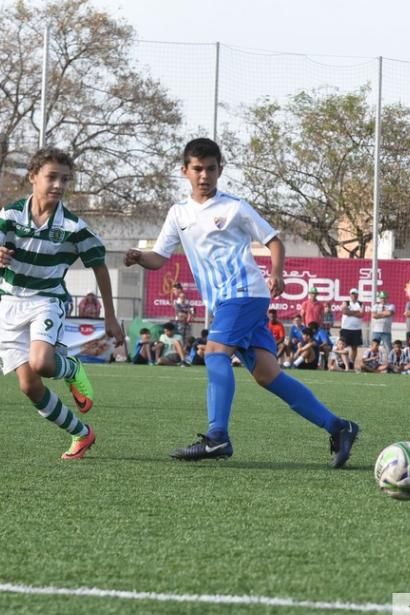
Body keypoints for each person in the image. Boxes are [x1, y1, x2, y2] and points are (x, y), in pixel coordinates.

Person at [123, 138, 358, 466]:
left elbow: (274, 241)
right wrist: (138, 257)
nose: (204, 175)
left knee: (215, 353)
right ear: (185, 171)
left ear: (220, 170)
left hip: (245, 293)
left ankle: (217, 436)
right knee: (268, 375)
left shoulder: (234, 207)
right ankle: (339, 426)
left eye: (211, 169)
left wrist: (276, 274)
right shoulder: (179, 213)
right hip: (225, 303)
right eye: (197, 169)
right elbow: (159, 257)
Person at [0, 147, 123, 460]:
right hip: (10, 304)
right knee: (29, 387)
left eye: (65, 179)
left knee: (42, 362)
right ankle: (82, 433)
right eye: (51, 177)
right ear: (32, 177)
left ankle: (71, 367)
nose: (58, 185)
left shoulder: (72, 226)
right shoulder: (11, 214)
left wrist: (110, 316)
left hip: (47, 300)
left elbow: (99, 263)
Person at [339, 288, 364, 370]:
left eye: (355, 294)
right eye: (352, 294)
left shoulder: (360, 304)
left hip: (356, 329)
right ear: (350, 295)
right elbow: (345, 312)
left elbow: (362, 314)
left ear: (357, 295)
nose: (353, 296)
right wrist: (356, 312)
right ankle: (344, 362)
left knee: (354, 347)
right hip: (346, 328)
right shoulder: (346, 302)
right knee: (343, 346)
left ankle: (351, 363)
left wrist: (350, 312)